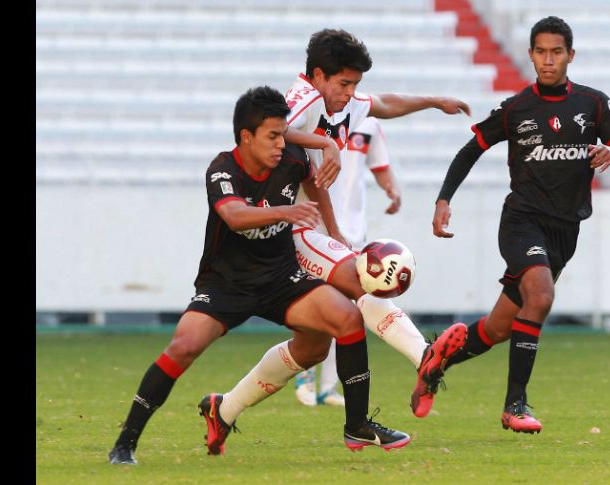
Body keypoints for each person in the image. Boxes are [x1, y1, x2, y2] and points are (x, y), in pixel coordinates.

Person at [108, 86, 409, 465]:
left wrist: (336, 237)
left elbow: (315, 189)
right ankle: (125, 444)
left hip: (281, 278)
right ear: (246, 137)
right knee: (183, 346)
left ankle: (357, 425)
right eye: (272, 136)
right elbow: (234, 215)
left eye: (284, 134)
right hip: (226, 283)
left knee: (347, 319)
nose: (281, 144)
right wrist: (284, 213)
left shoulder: (293, 160)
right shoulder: (222, 168)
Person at [429, 16, 610, 434]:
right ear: (530, 55)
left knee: (499, 327)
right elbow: (471, 149)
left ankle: (436, 358)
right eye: (540, 51)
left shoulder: (593, 104)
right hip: (522, 221)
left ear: (570, 55)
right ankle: (514, 406)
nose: (548, 59)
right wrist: (444, 198)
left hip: (565, 231)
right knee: (539, 297)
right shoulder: (517, 107)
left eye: (556, 52)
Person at [282, 29, 470, 420]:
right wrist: (327, 144)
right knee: (366, 280)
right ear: (318, 75)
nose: (351, 92)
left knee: (311, 345)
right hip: (286, 228)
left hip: (310, 225)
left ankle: (223, 408)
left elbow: (384, 103)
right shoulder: (306, 97)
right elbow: (273, 129)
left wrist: (434, 101)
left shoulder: (343, 102)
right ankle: (423, 359)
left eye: (355, 84)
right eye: (345, 83)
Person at [293, 117, 401, 407]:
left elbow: (380, 167)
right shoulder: (318, 118)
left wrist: (391, 189)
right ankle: (304, 377)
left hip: (353, 228)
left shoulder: (369, 125)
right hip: (319, 224)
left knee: (347, 309)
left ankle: (328, 387)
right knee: (316, 300)